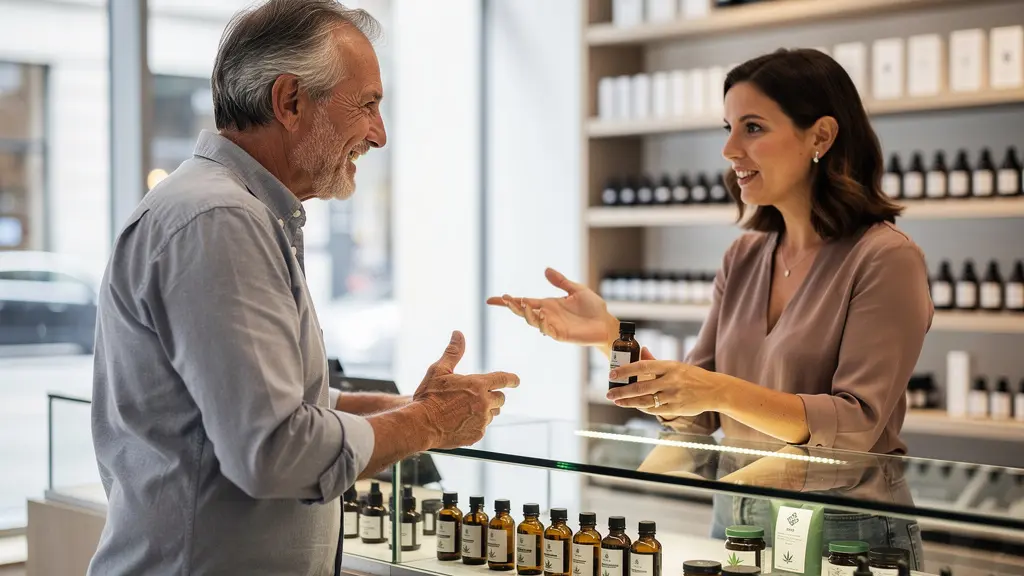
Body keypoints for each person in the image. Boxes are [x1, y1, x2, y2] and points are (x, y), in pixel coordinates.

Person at [89, 2, 518, 575]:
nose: (380, 134)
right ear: (290, 101)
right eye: (367, 105)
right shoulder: (220, 219)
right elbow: (272, 450)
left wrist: (408, 409)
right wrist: (428, 424)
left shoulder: (228, 210)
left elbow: (274, 404)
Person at [490, 48, 932, 566]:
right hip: (741, 516)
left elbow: (855, 425)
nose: (728, 149)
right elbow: (695, 418)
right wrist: (614, 339)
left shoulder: (885, 259)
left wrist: (718, 390)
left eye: (752, 128)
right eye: (728, 127)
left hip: (845, 531)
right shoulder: (744, 256)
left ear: (821, 136)